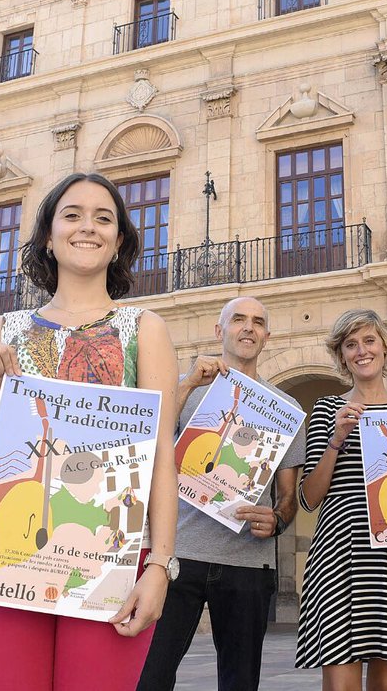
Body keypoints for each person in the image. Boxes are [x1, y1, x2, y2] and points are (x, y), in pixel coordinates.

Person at [0, 172, 179, 691]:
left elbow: (161, 457)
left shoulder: (145, 329)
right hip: (6, 550)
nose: (88, 227)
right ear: (48, 238)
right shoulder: (5, 331)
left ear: (118, 241)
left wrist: (161, 566)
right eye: (72, 215)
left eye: (104, 218)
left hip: (111, 552)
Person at [138, 296, 305, 691]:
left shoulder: (285, 408)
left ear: (267, 336)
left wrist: (277, 520)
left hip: (248, 563)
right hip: (178, 554)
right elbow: (150, 443)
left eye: (258, 322)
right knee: (151, 676)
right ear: (219, 331)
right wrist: (186, 383)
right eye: (238, 319)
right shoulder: (187, 388)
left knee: (240, 681)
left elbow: (287, 496)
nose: (248, 327)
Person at [296, 309, 387, 689]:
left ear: (384, 348)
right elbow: (309, 498)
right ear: (341, 356)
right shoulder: (327, 411)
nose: (361, 351)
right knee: (340, 684)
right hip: (340, 557)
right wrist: (336, 439)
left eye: (369, 341)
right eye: (351, 344)